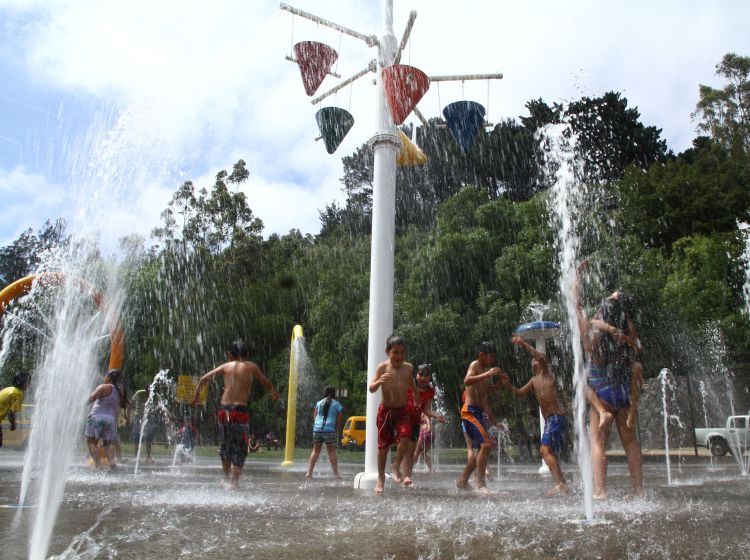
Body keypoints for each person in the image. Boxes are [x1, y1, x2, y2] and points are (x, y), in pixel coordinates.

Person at [574, 260, 644, 499]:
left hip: (601, 392)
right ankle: (638, 491)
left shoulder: (592, 337)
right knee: (630, 442)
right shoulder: (626, 333)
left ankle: (600, 492)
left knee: (598, 443)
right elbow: (637, 349)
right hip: (623, 391)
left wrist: (577, 278)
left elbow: (577, 306)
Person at [191, 339, 279, 489]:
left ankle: (226, 478)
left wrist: (196, 399)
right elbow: (266, 382)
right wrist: (273, 392)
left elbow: (203, 379)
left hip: (224, 411)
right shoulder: (251, 366)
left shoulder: (226, 366)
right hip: (239, 411)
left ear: (229, 355)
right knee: (240, 446)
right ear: (248, 355)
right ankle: (234, 483)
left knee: (226, 444)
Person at [502, 335, 570, 496]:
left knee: (544, 450)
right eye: (531, 359)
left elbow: (539, 355)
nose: (533, 360)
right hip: (550, 420)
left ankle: (560, 483)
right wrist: (507, 385)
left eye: (535, 359)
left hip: (556, 417)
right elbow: (519, 393)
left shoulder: (547, 374)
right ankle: (562, 484)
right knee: (548, 452)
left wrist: (523, 343)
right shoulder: (533, 380)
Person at [368, 334, 419, 493]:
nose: (399, 356)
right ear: (387, 352)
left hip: (402, 410)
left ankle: (396, 465)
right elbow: (371, 388)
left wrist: (416, 395)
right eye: (395, 352)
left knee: (406, 436)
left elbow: (410, 382)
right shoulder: (383, 368)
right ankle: (381, 477)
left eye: (402, 353)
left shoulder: (408, 367)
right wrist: (378, 381)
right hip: (386, 412)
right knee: (383, 446)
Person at [455, 341, 502, 494]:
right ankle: (481, 484)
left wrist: (501, 384)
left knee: (480, 451)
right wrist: (487, 374)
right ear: (482, 355)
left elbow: (486, 394)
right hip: (469, 412)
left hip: (478, 413)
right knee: (486, 445)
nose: (493, 361)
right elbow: (467, 380)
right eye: (491, 357)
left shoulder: (485, 373)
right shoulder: (475, 365)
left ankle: (462, 480)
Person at [85, 369, 125, 469]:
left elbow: (92, 398)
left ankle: (98, 464)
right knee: (108, 443)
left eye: (106, 375)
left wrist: (79, 406)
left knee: (91, 441)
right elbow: (122, 405)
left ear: (109, 377)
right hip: (110, 420)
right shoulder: (119, 392)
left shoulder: (104, 387)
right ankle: (112, 463)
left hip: (96, 418)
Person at [305, 386, 343, 479]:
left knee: (315, 451)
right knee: (331, 451)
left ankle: (309, 473)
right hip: (329, 430)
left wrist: (317, 426)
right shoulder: (337, 405)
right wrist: (337, 431)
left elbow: (315, 416)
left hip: (317, 429)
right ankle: (335, 474)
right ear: (334, 393)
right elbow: (338, 420)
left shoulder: (319, 403)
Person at [0, 371, 31, 448]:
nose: (29, 385)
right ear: (24, 383)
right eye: (28, 382)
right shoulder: (18, 394)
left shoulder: (9, 389)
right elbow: (12, 412)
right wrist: (13, 425)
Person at [131, 387, 156, 463]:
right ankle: (136, 457)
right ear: (146, 390)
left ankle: (148, 457)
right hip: (138, 415)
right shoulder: (139, 393)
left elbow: (161, 406)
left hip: (149, 416)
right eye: (148, 392)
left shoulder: (156, 396)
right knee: (136, 436)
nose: (149, 394)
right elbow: (131, 402)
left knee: (149, 436)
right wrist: (128, 415)